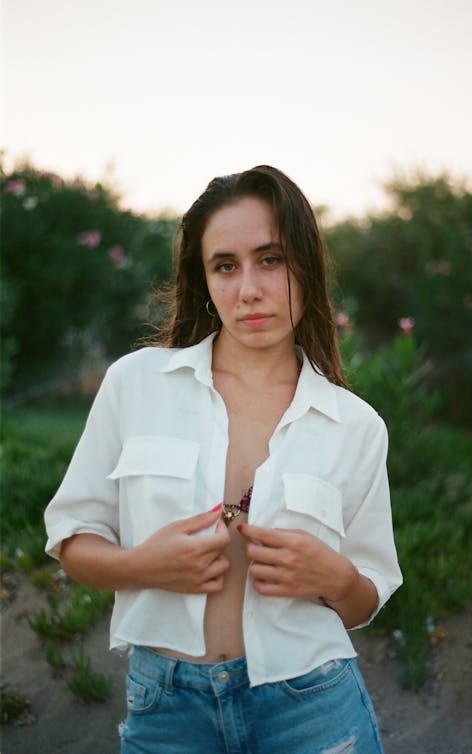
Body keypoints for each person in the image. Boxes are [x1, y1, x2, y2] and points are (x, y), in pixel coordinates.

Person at [45, 165, 403, 753]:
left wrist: (336, 577)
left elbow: (364, 600)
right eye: (225, 266)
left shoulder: (357, 426)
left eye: (271, 259)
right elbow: (71, 539)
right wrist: (145, 567)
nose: (249, 290)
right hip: (167, 706)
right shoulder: (135, 384)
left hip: (310, 704)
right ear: (204, 279)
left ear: (306, 267)